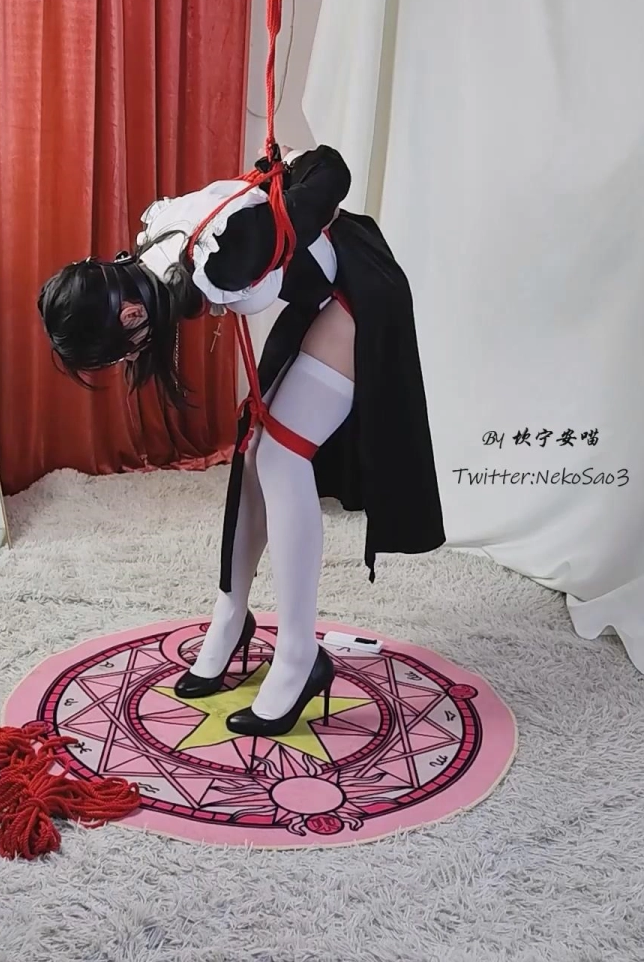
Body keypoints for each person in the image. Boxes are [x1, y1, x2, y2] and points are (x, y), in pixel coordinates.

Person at [38, 145, 445, 738]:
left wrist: (289, 172)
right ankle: (232, 616)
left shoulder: (224, 256)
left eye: (123, 351)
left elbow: (332, 168)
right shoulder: (155, 248)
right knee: (254, 448)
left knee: (282, 457)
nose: (132, 358)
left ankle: (300, 656)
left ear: (129, 316)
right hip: (315, 300)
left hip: (358, 290)